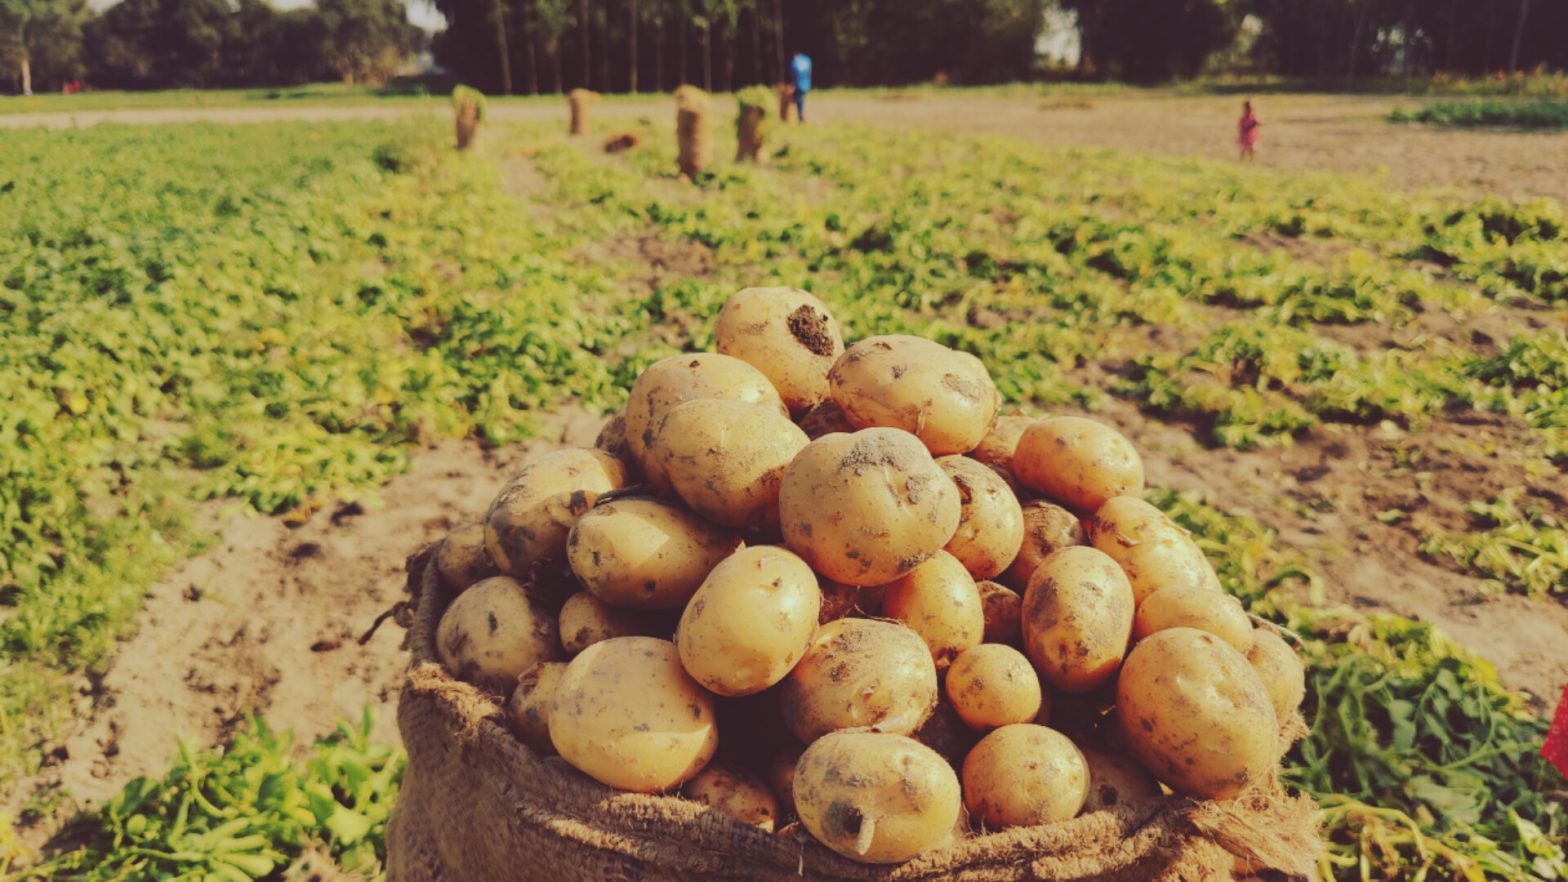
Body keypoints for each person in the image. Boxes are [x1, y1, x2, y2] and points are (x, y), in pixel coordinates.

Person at [790, 52, 813, 123]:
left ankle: (801, 117)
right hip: (806, 84)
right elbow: (809, 72)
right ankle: (801, 116)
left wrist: (792, 84)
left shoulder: (795, 61)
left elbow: (794, 75)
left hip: (799, 85)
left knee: (798, 100)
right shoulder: (807, 60)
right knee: (801, 99)